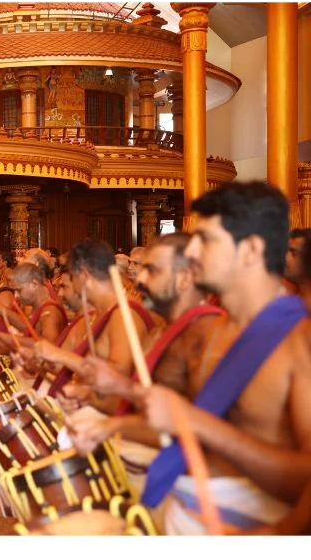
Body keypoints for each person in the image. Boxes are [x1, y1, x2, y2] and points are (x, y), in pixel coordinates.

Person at [135, 182, 311, 535]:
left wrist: (280, 534)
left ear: (251, 250)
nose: (192, 251)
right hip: (179, 507)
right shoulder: (210, 330)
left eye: (205, 239)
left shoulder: (299, 339)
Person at [68, 233, 225, 497]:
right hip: (128, 464)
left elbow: (201, 435)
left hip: (173, 489)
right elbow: (144, 406)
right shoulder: (163, 329)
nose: (139, 279)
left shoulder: (205, 335)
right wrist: (90, 397)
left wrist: (112, 426)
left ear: (184, 278)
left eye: (152, 270)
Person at [30, 238, 155, 413]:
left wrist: (61, 356)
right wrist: (37, 360)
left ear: (84, 275)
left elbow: (118, 376)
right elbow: (67, 368)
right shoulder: (96, 314)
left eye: (72, 278)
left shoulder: (126, 313)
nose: (71, 288)